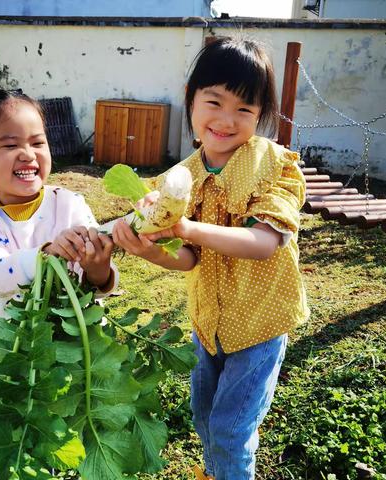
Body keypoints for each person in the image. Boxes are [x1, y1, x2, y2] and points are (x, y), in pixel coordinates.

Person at [112, 37, 309, 480]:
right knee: (204, 417)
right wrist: (149, 250)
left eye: (244, 109)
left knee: (230, 429)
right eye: (214, 102)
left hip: (260, 323)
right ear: (191, 101)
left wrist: (185, 227)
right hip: (208, 322)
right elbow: (188, 259)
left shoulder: (275, 165)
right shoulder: (179, 178)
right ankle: (215, 472)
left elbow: (263, 243)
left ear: (261, 116)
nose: (226, 120)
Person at [0, 88, 118, 323]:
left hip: (81, 346)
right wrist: (45, 255)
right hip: (18, 349)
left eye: (37, 143)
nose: (28, 155)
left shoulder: (69, 204)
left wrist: (98, 268)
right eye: (11, 145)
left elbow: (97, 285)